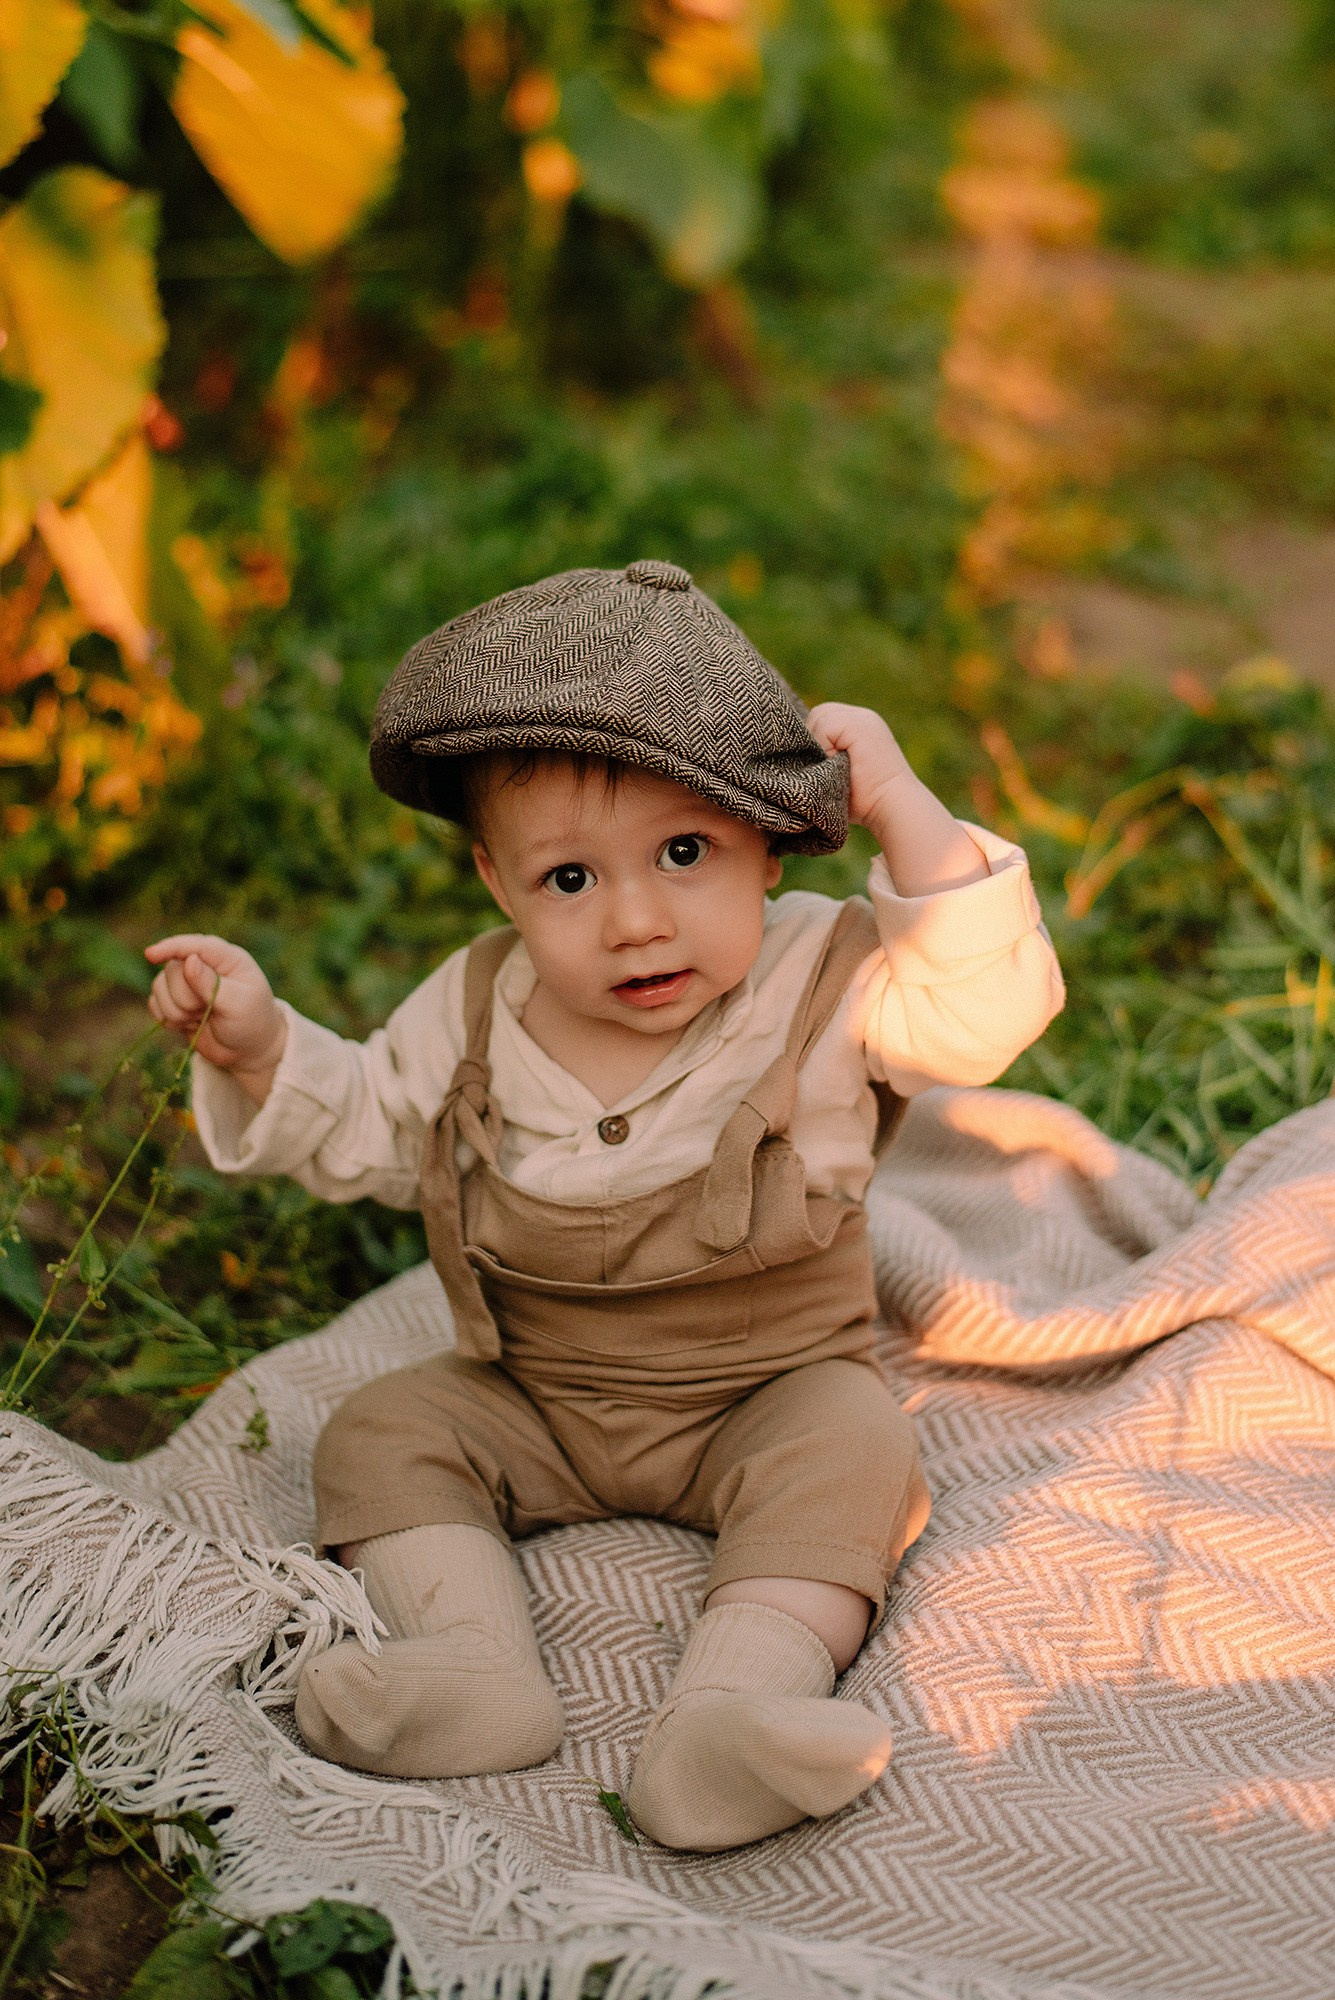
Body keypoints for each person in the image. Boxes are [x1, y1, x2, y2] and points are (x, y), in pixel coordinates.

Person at [145, 559, 1063, 1852]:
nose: (635, 922)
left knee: (862, 1449)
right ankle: (471, 1668)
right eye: (570, 880)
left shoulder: (829, 978)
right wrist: (256, 1051)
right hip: (539, 1397)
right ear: (497, 884)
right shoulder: (474, 1011)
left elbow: (987, 1014)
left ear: (768, 840)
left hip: (765, 1392)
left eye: (686, 854)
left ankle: (730, 1716)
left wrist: (905, 808)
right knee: (379, 1430)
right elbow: (361, 1124)